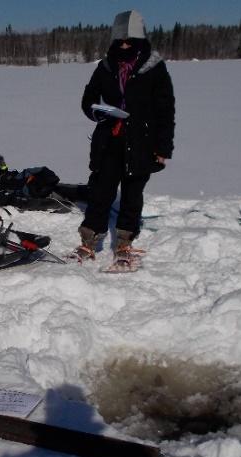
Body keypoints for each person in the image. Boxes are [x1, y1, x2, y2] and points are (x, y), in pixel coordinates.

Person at [75, 9, 175, 270]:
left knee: (132, 193)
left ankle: (124, 241)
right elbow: (88, 99)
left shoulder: (154, 67)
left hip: (141, 142)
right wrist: (97, 112)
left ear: (140, 41)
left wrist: (163, 148)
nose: (124, 46)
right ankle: (89, 239)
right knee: (100, 190)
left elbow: (166, 110)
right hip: (109, 139)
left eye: (129, 42)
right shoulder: (105, 66)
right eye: (119, 42)